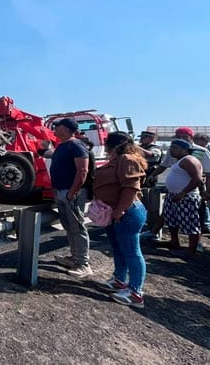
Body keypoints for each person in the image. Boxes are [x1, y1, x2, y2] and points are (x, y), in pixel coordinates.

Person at [93, 132, 148, 308]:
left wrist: (119, 210)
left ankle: (135, 292)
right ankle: (119, 279)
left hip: (126, 212)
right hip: (115, 211)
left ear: (112, 144)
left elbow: (130, 188)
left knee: (131, 250)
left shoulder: (127, 159)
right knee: (119, 247)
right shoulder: (117, 160)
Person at [149, 127, 210, 249]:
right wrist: (152, 175)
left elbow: (209, 172)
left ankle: (196, 246)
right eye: (178, 136)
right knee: (171, 218)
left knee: (194, 219)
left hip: (192, 191)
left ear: (191, 138)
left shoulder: (200, 151)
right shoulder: (175, 150)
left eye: (183, 136)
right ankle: (174, 241)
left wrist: (209, 190)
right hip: (175, 192)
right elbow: (164, 165)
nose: (180, 138)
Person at [49, 118, 92, 277]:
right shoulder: (62, 145)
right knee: (69, 226)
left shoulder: (76, 145)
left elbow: (82, 171)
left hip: (71, 193)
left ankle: (83, 264)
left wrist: (72, 192)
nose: (54, 128)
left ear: (66, 129)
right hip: (62, 192)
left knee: (78, 227)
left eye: (57, 126)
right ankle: (75, 258)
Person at [162, 139, 204, 258]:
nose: (171, 149)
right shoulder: (180, 160)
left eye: (174, 147)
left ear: (184, 150)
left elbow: (197, 179)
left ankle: (191, 251)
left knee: (190, 223)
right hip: (173, 195)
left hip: (186, 197)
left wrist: (183, 193)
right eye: (171, 147)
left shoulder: (189, 160)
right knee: (171, 219)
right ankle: (174, 242)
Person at [137, 131, 164, 241]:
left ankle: (154, 232)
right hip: (139, 179)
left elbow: (151, 155)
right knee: (139, 206)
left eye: (144, 137)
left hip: (149, 181)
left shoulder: (154, 148)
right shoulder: (140, 147)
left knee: (152, 208)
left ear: (151, 138)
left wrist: (136, 148)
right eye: (142, 137)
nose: (142, 139)